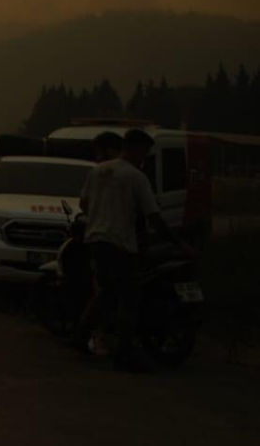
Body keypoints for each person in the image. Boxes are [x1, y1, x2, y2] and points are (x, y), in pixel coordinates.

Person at [77, 127, 192, 371]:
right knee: (130, 297)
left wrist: (100, 218)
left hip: (96, 240)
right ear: (136, 149)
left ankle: (80, 335)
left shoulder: (98, 171)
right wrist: (179, 244)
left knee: (107, 291)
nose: (144, 158)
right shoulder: (136, 176)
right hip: (120, 243)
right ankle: (124, 352)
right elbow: (154, 218)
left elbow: (83, 204)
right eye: (144, 153)